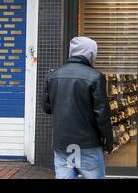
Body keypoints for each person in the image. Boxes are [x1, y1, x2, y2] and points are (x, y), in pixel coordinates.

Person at [42, 37, 113, 179]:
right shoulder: (95, 77)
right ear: (90, 54)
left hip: (62, 143)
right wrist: (108, 141)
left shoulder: (53, 76)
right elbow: (102, 115)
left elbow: (47, 108)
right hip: (88, 144)